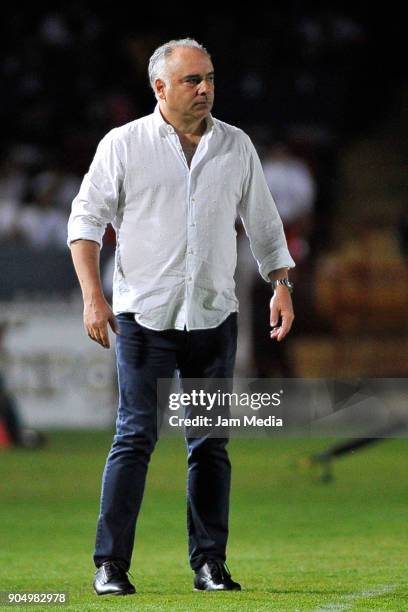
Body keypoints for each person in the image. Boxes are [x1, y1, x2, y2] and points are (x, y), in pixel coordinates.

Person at [67, 38, 295, 596]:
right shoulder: (124, 145)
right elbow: (85, 222)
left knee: (211, 445)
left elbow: (263, 223)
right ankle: (110, 565)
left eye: (210, 77)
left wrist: (281, 284)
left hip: (213, 319)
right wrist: (93, 298)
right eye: (192, 80)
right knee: (134, 437)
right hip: (144, 320)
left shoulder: (235, 146)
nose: (205, 88)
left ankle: (210, 564)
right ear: (159, 87)